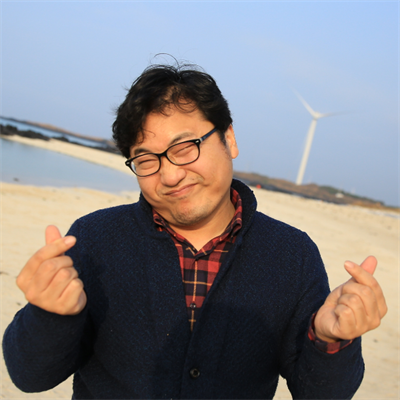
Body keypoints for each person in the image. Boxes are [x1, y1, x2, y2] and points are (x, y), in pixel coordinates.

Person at [3, 62, 387, 400]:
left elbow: (320, 392)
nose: (170, 175)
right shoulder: (94, 239)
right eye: (145, 159)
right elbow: (31, 376)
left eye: (185, 147)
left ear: (229, 139)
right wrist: (49, 314)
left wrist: (330, 339)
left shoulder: (292, 255)